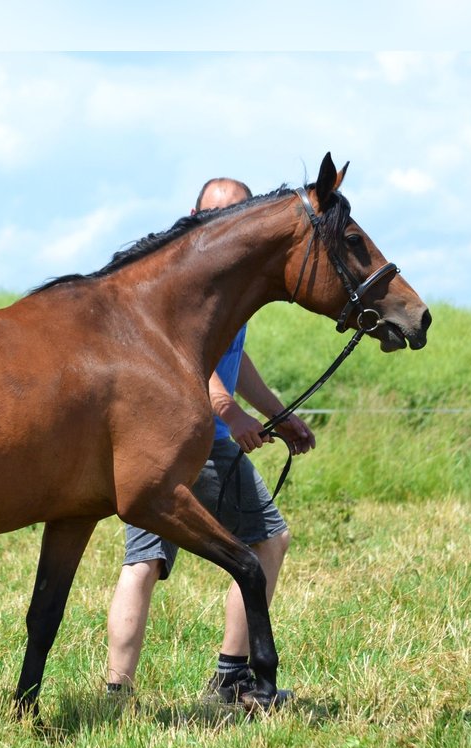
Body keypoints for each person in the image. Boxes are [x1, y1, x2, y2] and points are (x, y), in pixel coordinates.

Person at [105, 177, 316, 703]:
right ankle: (228, 679)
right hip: (192, 438)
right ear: (193, 213)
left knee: (145, 562)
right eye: (215, 213)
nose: (223, 222)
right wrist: (233, 415)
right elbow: (190, 359)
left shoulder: (223, 282)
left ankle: (118, 694)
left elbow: (233, 357)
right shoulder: (194, 280)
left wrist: (275, 413)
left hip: (167, 438)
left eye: (235, 214)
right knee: (264, 541)